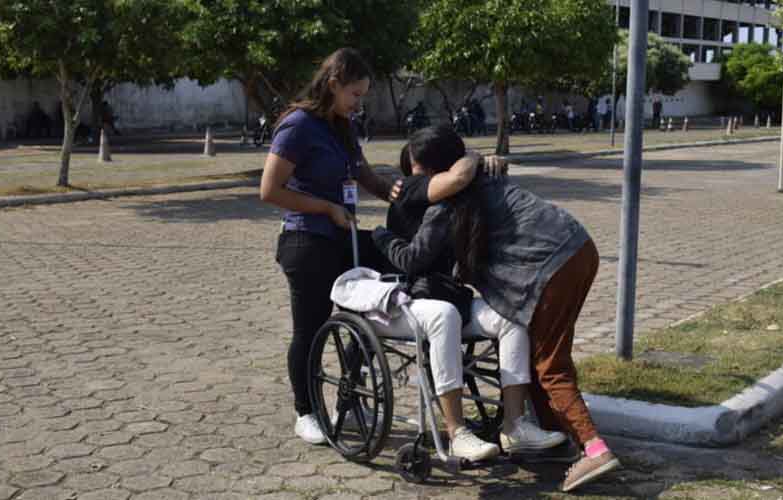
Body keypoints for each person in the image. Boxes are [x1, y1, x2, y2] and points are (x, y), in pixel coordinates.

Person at [372, 125, 621, 492]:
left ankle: (594, 449)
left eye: (418, 170)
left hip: (552, 266)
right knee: (538, 352)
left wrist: (380, 236)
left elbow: (414, 257)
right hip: (577, 247)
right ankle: (552, 436)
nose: (415, 179)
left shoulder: (447, 196)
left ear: (439, 169)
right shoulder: (480, 177)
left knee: (549, 365)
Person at [387, 145, 567, 459]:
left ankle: (514, 426)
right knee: (445, 315)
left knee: (510, 318)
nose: (420, 179)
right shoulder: (407, 202)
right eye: (413, 171)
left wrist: (486, 162)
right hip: (411, 300)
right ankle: (457, 432)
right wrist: (382, 237)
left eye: (424, 170)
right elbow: (410, 260)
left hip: (453, 297)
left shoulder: (462, 199)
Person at [260, 48, 402, 445]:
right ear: (334, 83)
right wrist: (326, 207)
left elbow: (362, 173)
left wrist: (397, 192)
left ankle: (348, 401)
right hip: (306, 240)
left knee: (376, 304)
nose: (359, 103)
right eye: (355, 94)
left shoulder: (343, 126)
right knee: (310, 328)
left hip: (343, 238)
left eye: (363, 96)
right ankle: (305, 411)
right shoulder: (298, 125)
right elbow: (269, 190)